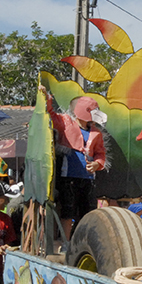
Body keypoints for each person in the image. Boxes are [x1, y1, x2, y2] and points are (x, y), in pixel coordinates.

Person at [40, 85, 107, 240]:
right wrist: (47, 97)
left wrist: (97, 163)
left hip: (88, 179)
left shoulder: (96, 133)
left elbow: (100, 153)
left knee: (87, 212)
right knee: (68, 211)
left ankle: (84, 242)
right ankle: (66, 243)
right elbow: (51, 115)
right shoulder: (66, 122)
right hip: (68, 177)